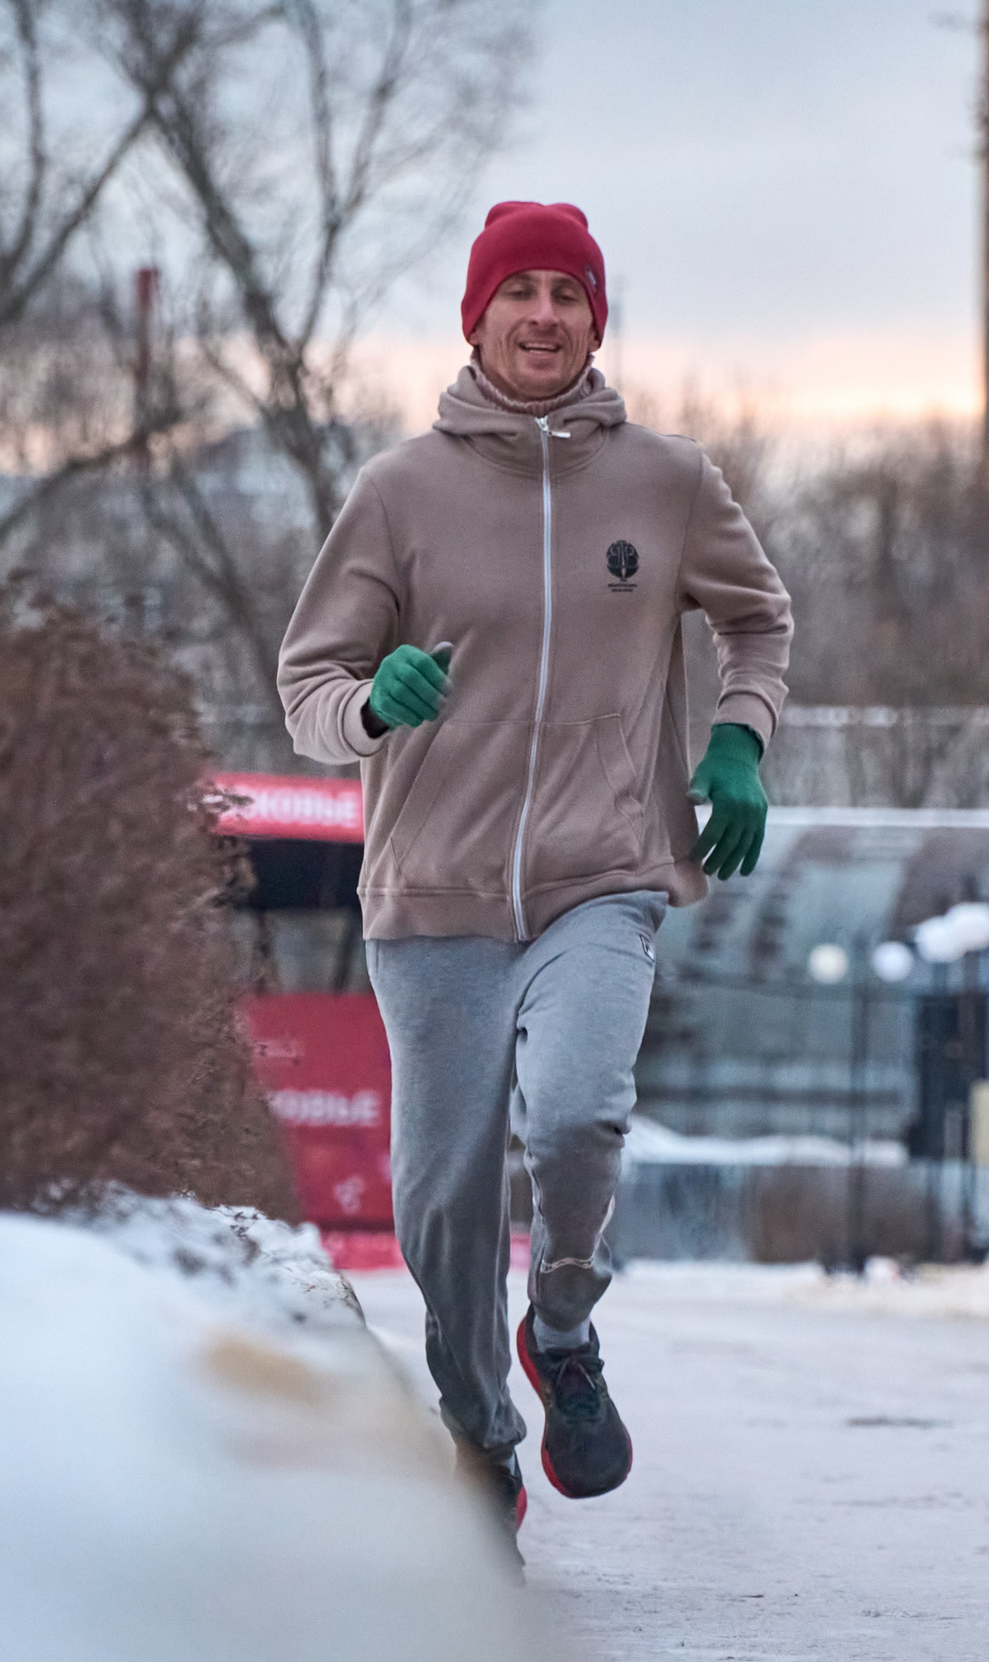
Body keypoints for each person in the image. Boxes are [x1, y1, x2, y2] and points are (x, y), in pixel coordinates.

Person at [274, 201, 792, 1564]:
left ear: (596, 317)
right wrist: (371, 705)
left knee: (576, 1118)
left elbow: (759, 614)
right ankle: (480, 1433)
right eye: (524, 294)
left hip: (601, 871)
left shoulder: (670, 481)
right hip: (434, 890)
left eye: (571, 293)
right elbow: (306, 686)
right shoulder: (398, 492)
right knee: (443, 1192)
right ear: (479, 316)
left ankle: (561, 1327)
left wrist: (739, 736)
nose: (547, 315)